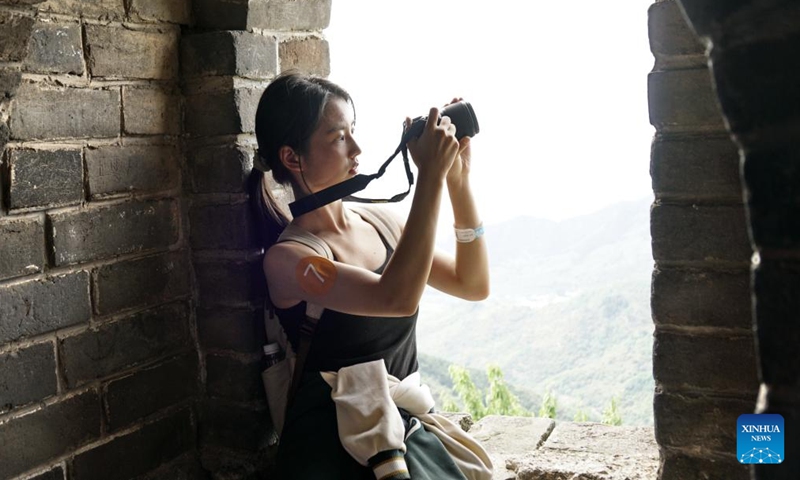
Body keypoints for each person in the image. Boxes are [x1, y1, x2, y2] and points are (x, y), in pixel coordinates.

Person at [250, 71, 490, 479]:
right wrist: (428, 177)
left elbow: (472, 284)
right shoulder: (290, 260)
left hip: (403, 433)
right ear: (293, 158)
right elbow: (395, 299)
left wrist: (457, 182)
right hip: (331, 453)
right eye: (338, 137)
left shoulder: (383, 223)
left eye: (353, 131)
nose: (357, 149)